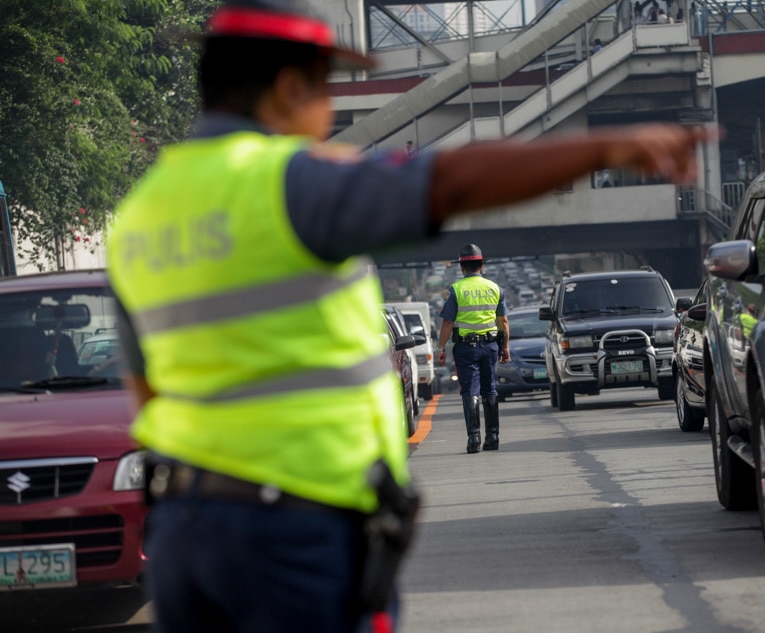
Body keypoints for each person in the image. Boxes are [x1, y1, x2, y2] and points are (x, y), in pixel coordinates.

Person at [105, 1, 716, 631]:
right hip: (291, 531)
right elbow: (448, 180)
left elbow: (147, 392)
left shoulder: (141, 215)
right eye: (326, 92)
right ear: (288, 87)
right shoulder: (288, 183)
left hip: (185, 530)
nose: (326, 116)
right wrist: (608, 147)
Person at [435, 244, 509, 453]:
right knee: (490, 389)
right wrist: (505, 347)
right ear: (482, 265)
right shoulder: (495, 288)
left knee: (470, 391)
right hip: (491, 346)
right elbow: (503, 321)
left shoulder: (456, 289)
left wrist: (441, 348)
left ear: (462, 268)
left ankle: (474, 439)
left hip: (466, 348)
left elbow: (448, 323)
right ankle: (493, 437)